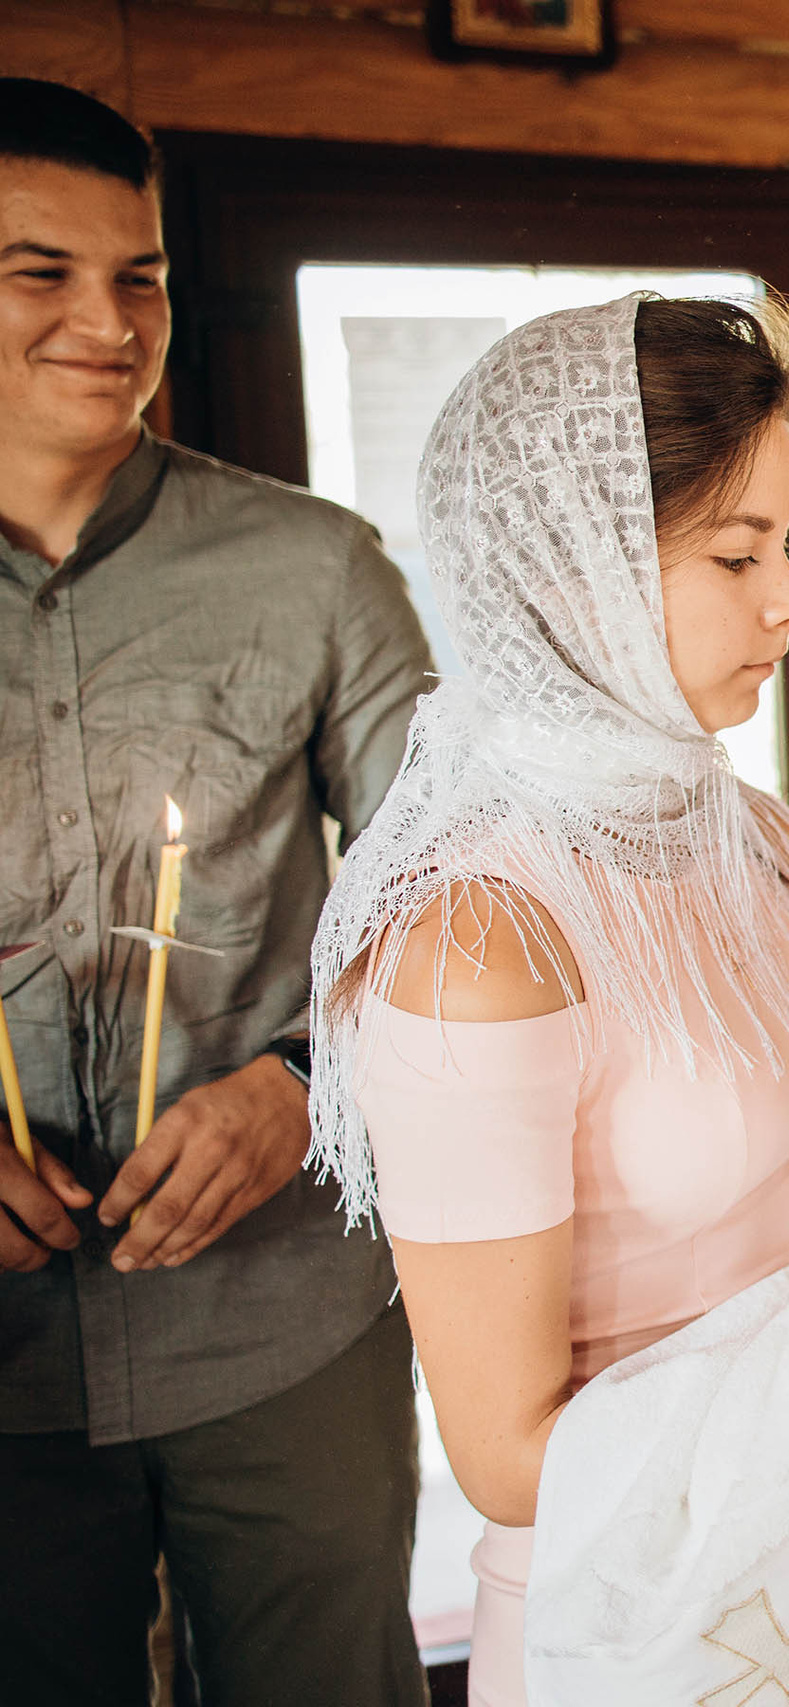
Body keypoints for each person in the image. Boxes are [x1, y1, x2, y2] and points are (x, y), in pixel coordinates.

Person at [307, 294, 789, 1707]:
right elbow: (505, 1451)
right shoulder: (474, 939)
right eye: (742, 550)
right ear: (574, 572)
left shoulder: (745, 832)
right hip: (633, 1589)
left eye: (784, 542)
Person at [0, 80, 432, 1707]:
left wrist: (311, 1087)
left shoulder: (321, 571)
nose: (109, 324)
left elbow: (472, 899)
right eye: (41, 273)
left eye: (144, 276)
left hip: (286, 1318)